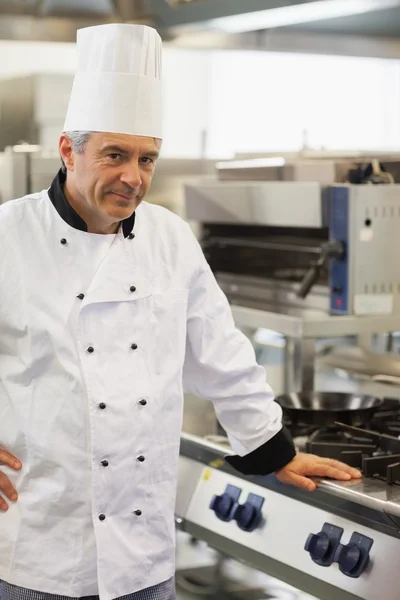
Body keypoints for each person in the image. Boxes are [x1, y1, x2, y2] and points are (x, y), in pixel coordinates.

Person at [0, 23, 361, 600]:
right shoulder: (8, 234)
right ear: (69, 150)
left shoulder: (170, 238)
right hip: (39, 543)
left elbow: (221, 354)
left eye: (148, 159)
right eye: (115, 155)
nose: (133, 177)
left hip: (143, 551)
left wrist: (274, 450)